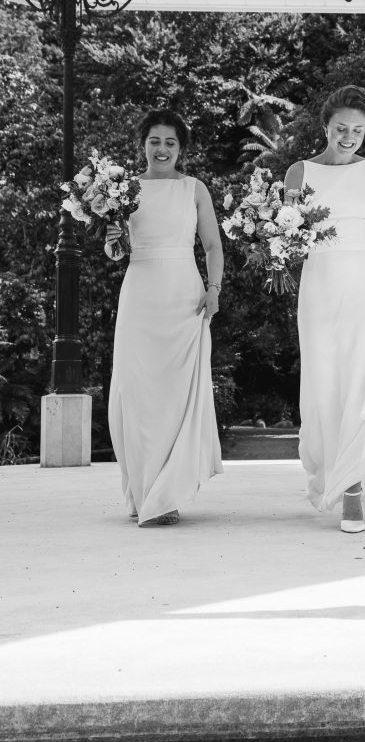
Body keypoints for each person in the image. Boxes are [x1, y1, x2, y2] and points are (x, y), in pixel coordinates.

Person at [106, 108, 224, 526]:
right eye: (154, 140)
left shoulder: (195, 188)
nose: (161, 149)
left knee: (176, 396)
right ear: (143, 144)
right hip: (140, 292)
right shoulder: (120, 191)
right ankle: (144, 492)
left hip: (184, 298)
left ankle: (168, 493)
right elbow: (116, 251)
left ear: (181, 148)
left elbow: (211, 245)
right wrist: (113, 241)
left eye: (170, 142)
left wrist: (213, 290)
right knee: (137, 395)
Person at [284, 85, 365, 533]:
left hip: (362, 281)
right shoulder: (298, 171)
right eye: (342, 128)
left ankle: (353, 492)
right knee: (325, 382)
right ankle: (329, 473)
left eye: (358, 130)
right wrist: (274, 246)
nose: (349, 136)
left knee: (358, 382)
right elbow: (286, 235)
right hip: (320, 283)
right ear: (325, 126)